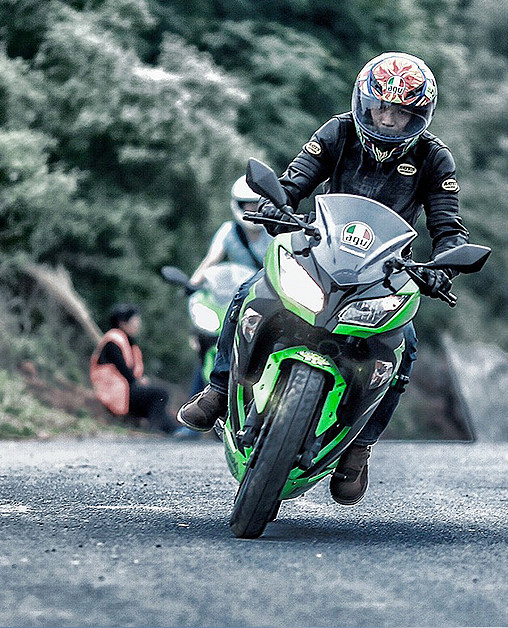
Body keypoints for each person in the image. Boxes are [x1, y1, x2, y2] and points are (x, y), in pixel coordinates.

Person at [178, 52, 470, 503]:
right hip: (318, 251)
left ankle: (359, 447)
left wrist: (444, 266)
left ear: (419, 116)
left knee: (405, 348)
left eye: (400, 112)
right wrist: (276, 204)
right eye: (380, 107)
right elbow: (295, 181)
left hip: (387, 274)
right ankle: (218, 390)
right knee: (248, 293)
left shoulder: (434, 159)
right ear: (364, 102)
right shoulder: (337, 132)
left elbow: (449, 228)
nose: (387, 119)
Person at [185, 177, 273, 395]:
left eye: (257, 205)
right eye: (248, 205)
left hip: (265, 300)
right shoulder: (228, 231)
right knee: (209, 343)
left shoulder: (273, 232)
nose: (253, 210)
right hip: (232, 299)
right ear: (238, 205)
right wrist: (192, 285)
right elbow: (210, 260)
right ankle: (199, 402)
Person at [90, 304, 192, 437]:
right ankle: (157, 429)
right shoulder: (113, 341)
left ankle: (176, 430)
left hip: (123, 391)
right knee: (160, 394)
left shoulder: (126, 341)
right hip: (114, 394)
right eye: (135, 321)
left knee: (159, 402)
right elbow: (124, 370)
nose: (138, 324)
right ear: (123, 323)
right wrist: (138, 382)